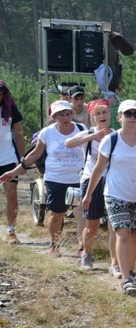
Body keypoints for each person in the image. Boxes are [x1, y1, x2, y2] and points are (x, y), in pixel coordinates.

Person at [82, 100, 136, 295]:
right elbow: (98, 169)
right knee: (122, 233)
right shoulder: (110, 140)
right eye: (128, 113)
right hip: (115, 193)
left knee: (134, 236)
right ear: (119, 116)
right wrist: (88, 194)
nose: (132, 117)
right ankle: (126, 279)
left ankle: (129, 271)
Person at [1, 100, 85, 255]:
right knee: (57, 214)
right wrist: (15, 171)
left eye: (68, 114)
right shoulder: (47, 133)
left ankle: (82, 248)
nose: (66, 117)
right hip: (56, 178)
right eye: (61, 115)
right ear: (54, 117)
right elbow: (35, 154)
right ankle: (54, 244)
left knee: (81, 212)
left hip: (78, 177)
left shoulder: (81, 129)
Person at [64, 100, 117, 273]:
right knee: (92, 225)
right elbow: (68, 144)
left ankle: (115, 262)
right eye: (98, 114)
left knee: (114, 225)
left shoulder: (117, 134)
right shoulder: (88, 133)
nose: (102, 117)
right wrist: (92, 137)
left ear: (110, 114)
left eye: (105, 113)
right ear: (93, 117)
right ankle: (87, 253)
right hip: (90, 181)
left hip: (112, 182)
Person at [0, 81, 26, 244]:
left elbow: (19, 133)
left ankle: (11, 231)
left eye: (1, 92)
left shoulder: (11, 110)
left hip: (8, 158)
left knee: (11, 193)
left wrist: (23, 160)